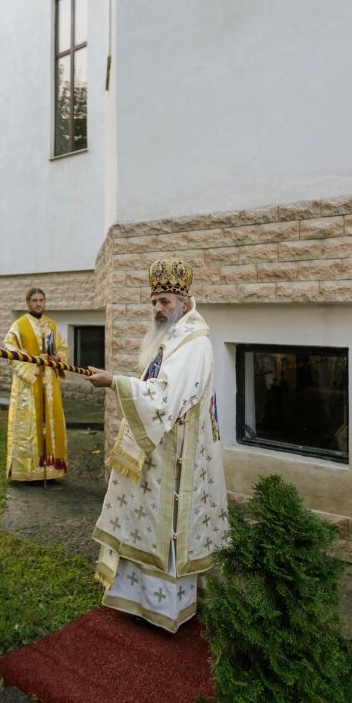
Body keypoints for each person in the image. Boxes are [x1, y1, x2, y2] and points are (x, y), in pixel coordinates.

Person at [85, 258, 227, 633]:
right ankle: (136, 601)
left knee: (162, 526)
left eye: (164, 301)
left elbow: (163, 399)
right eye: (154, 302)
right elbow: (154, 387)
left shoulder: (194, 344)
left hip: (174, 458)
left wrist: (115, 381)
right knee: (141, 519)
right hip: (157, 450)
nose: (158, 309)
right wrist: (121, 382)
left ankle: (163, 609)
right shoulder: (171, 338)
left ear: (184, 300)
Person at [3, 288, 68, 481]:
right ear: (28, 303)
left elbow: (63, 347)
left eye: (41, 300)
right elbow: (10, 349)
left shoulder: (52, 325)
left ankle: (51, 470)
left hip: (49, 383)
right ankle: (29, 472)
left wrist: (58, 357)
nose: (38, 304)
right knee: (29, 426)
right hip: (28, 386)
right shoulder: (19, 325)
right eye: (34, 300)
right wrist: (33, 360)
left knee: (51, 421)